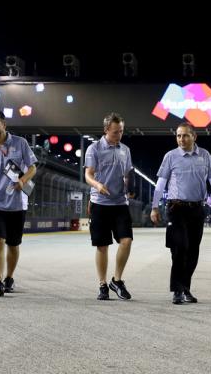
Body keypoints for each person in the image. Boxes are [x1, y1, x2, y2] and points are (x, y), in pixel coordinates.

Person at [150, 122, 211, 304]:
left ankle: (186, 288)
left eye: (185, 135)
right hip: (176, 209)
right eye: (178, 136)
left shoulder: (205, 156)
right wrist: (154, 206)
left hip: (197, 209)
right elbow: (160, 184)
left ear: (194, 137)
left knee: (193, 251)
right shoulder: (171, 156)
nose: (181, 139)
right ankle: (177, 290)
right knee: (179, 248)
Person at [0, 110, 37, 296]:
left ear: (4, 125)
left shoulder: (20, 143)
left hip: (17, 204)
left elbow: (33, 167)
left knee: (13, 244)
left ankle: (9, 277)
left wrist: (23, 180)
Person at [84, 112, 134, 301]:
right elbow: (88, 174)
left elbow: (128, 173)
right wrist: (97, 185)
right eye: (115, 132)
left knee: (126, 241)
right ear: (106, 130)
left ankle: (117, 280)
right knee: (102, 246)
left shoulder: (125, 150)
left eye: (121, 131)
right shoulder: (94, 149)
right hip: (100, 203)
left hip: (120, 203)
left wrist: (130, 186)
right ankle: (102, 284)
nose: (118, 135)